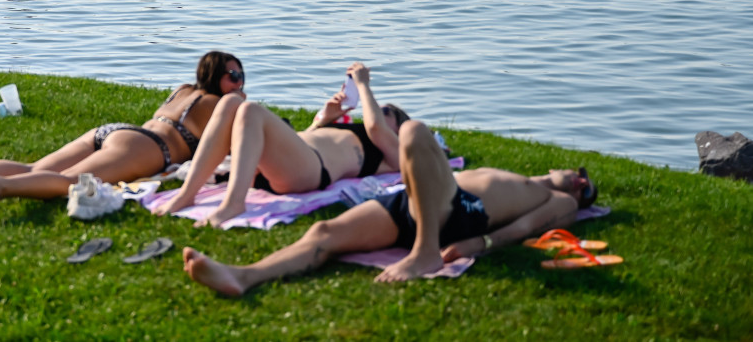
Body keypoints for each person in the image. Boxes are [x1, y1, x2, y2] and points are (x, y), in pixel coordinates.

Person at [182, 119, 599, 295]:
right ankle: (243, 276)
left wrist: (479, 245)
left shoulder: (559, 201)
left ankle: (425, 252)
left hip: (461, 212)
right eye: (581, 174)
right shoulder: (527, 177)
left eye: (588, 188)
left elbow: (523, 229)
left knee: (415, 131)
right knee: (324, 235)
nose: (580, 181)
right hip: (413, 202)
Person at [0, 51, 246, 221]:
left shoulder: (183, 90)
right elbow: (239, 143)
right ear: (217, 77)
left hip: (115, 132)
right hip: (146, 148)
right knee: (66, 182)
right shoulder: (223, 103)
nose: (239, 81)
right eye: (234, 75)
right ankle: (0, 186)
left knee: (36, 168)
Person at [155, 62, 409, 228]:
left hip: (311, 172)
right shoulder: (350, 130)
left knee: (251, 110)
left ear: (398, 128)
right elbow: (302, 139)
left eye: (386, 111)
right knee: (231, 103)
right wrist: (325, 119)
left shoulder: (393, 152)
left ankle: (234, 203)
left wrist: (363, 84)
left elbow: (375, 126)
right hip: (279, 166)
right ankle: (187, 194)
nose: (376, 110)